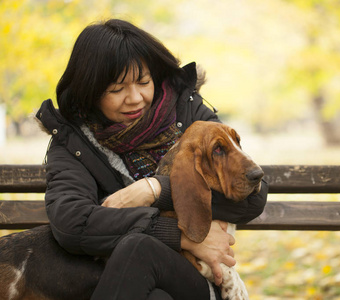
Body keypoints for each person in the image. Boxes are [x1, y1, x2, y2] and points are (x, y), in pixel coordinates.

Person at [36, 19, 268, 300]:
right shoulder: (73, 142)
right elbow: (73, 224)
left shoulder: (188, 112)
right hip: (120, 281)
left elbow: (253, 195)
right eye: (116, 89)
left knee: (138, 249)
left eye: (143, 82)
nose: (135, 98)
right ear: (90, 91)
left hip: (194, 279)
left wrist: (156, 190)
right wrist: (178, 235)